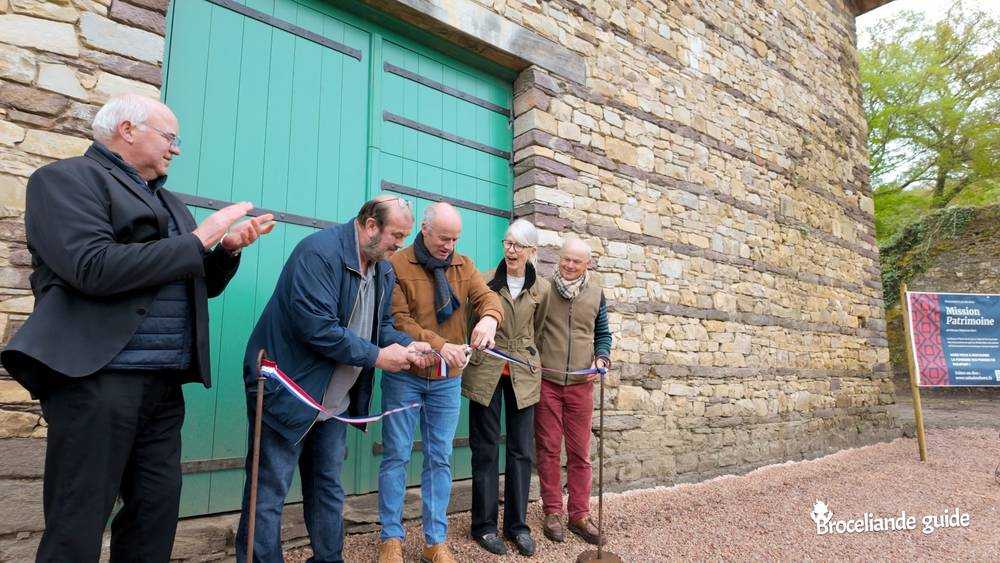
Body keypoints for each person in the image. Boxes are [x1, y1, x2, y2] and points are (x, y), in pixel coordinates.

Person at [0, 93, 273, 562]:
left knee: (155, 513)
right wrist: (199, 239)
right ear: (127, 130)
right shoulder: (63, 181)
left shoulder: (169, 202)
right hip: (96, 380)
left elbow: (195, 284)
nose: (177, 149)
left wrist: (224, 250)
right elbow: (91, 267)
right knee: (78, 520)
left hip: (163, 385)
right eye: (170, 137)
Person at [235, 195, 433, 563]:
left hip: (332, 404)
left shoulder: (383, 269)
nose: (400, 245)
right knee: (268, 492)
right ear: (370, 225)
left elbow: (381, 327)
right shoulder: (318, 253)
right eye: (397, 235)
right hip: (287, 392)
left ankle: (329, 559)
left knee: (328, 488)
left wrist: (408, 345)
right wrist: (377, 357)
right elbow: (318, 329)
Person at [377, 202, 503, 563]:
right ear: (426, 230)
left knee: (439, 459)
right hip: (405, 375)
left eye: (455, 239)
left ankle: (435, 540)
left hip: (447, 381)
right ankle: (391, 538)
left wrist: (490, 319)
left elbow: (487, 298)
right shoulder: (396, 264)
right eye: (444, 238)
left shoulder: (464, 266)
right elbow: (397, 321)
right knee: (396, 456)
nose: (450, 245)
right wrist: (440, 345)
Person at [463, 219, 549, 557]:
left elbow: (538, 331)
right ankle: (483, 527)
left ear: (531, 251)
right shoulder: (485, 281)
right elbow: (472, 323)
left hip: (524, 375)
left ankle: (517, 526)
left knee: (520, 452)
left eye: (518, 245)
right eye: (507, 243)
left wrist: (525, 353)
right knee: (484, 449)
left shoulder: (542, 289)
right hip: (486, 372)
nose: (510, 250)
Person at [535, 237, 612, 546]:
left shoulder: (596, 294)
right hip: (548, 382)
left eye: (575, 262)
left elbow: (603, 333)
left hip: (582, 385)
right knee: (549, 449)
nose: (568, 265)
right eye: (565, 259)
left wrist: (602, 356)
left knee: (580, 452)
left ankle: (579, 515)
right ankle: (552, 512)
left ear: (586, 265)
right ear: (559, 259)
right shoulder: (543, 290)